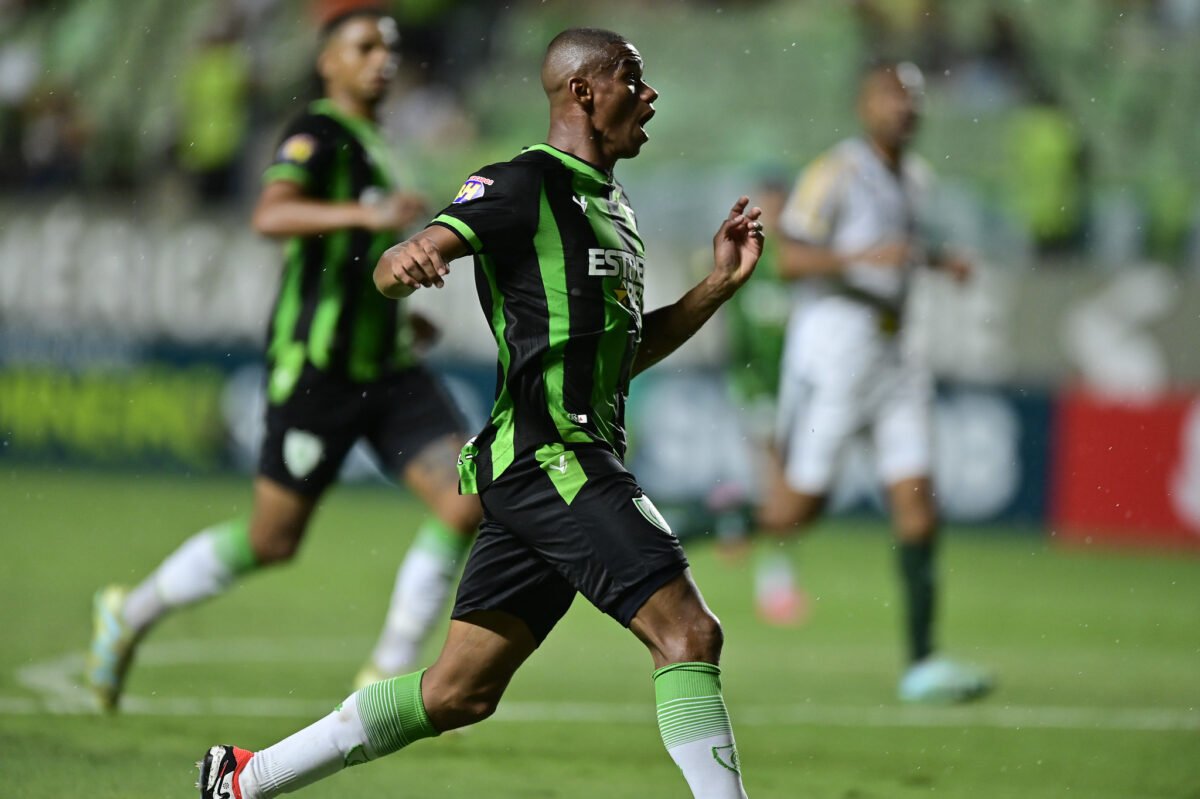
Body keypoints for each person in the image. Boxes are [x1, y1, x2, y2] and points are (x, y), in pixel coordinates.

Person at [197, 27, 762, 799]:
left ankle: (242, 780)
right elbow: (407, 258)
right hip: (553, 458)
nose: (650, 92)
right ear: (584, 93)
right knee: (689, 632)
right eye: (634, 75)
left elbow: (619, 354)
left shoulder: (611, 206)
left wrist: (714, 288)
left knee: (458, 692)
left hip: (546, 468)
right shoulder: (522, 183)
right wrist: (406, 262)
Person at [87, 6, 482, 712]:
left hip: (388, 368)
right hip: (318, 372)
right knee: (273, 539)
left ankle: (385, 672)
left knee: (463, 503)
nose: (380, 60)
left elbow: (360, 260)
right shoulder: (317, 133)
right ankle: (131, 610)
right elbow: (272, 213)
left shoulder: (380, 141)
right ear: (326, 60)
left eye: (388, 48)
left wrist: (396, 311)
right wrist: (365, 215)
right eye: (363, 47)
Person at [756, 60, 993, 703]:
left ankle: (922, 664)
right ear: (865, 105)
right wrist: (859, 257)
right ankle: (677, 527)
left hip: (894, 357)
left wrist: (942, 260)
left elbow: (900, 251)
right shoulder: (835, 172)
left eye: (914, 99)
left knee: (919, 507)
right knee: (795, 510)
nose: (906, 109)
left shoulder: (916, 179)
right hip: (832, 351)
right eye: (894, 97)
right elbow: (788, 257)